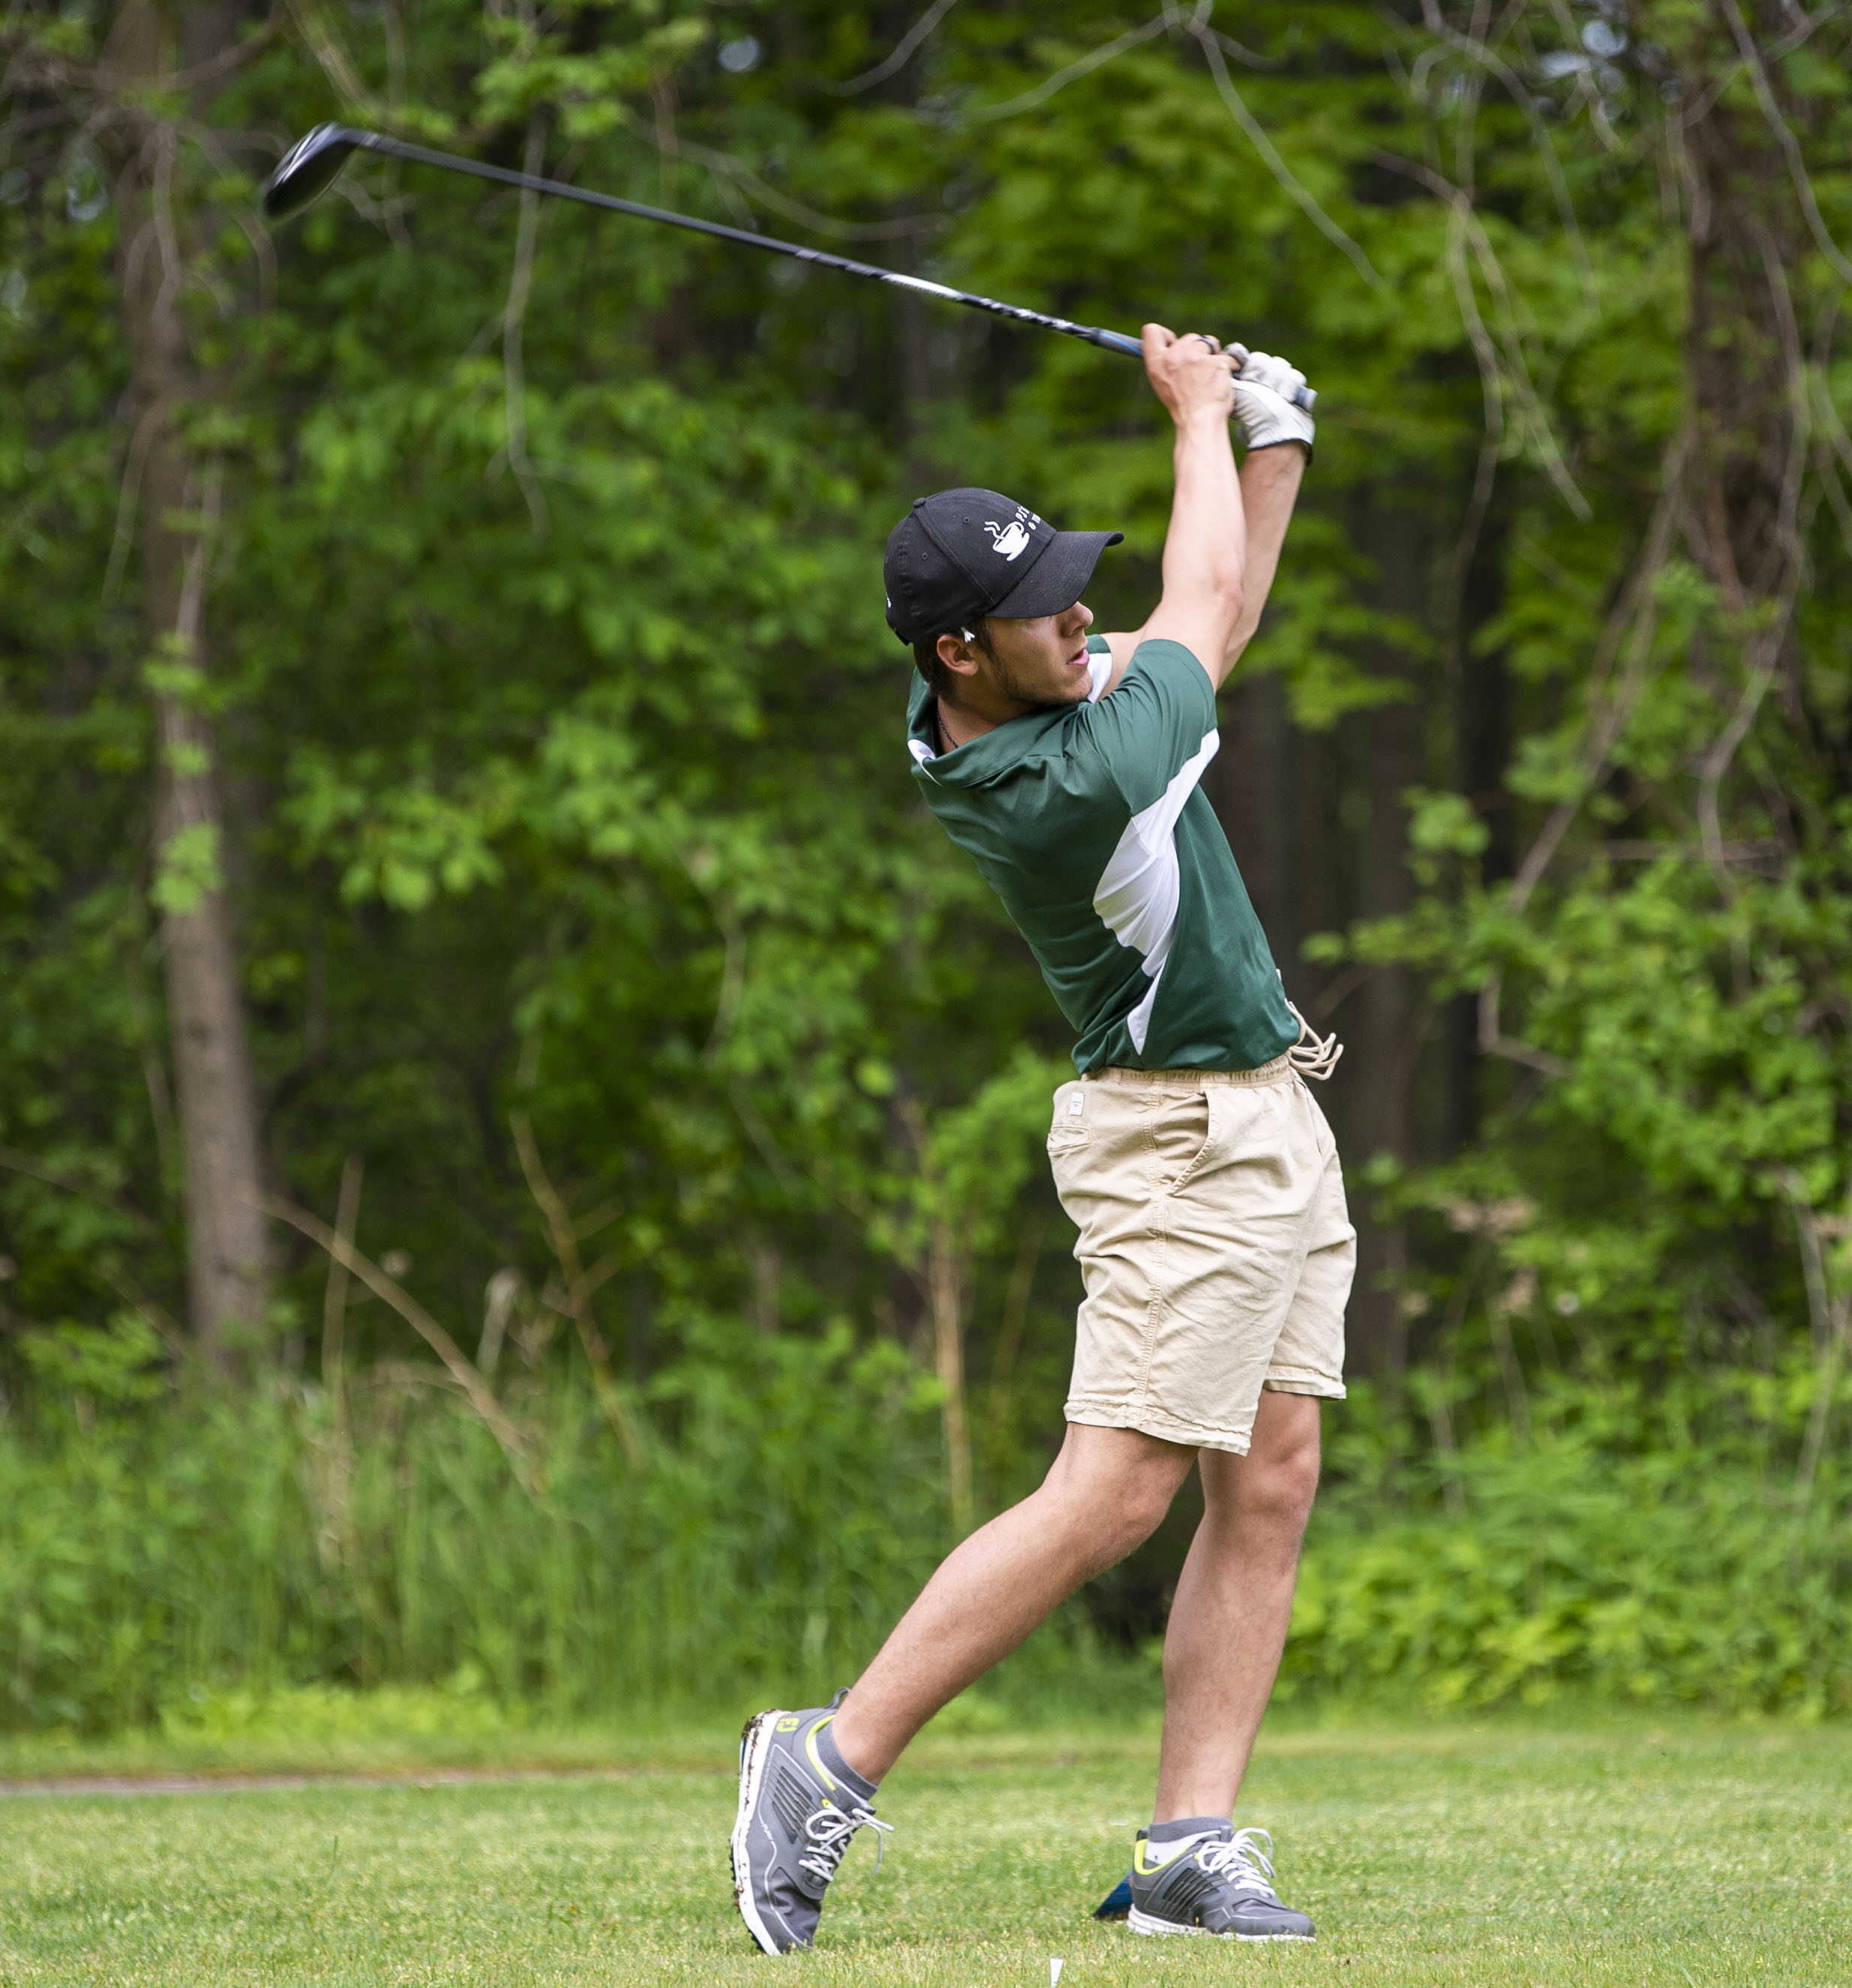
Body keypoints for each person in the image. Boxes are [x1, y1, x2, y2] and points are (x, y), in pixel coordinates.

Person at [728, 326, 1342, 1954]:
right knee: (1117, 1491)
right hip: (1177, 1142)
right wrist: (1201, 417)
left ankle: (1187, 1848)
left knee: (1268, 1476)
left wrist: (1264, 445)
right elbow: (1203, 614)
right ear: (955, 653)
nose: (1085, 616)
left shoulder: (1042, 694)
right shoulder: (1058, 776)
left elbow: (1214, 606)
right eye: (1049, 605)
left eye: (1082, 590)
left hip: (1268, 1108)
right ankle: (823, 1756)